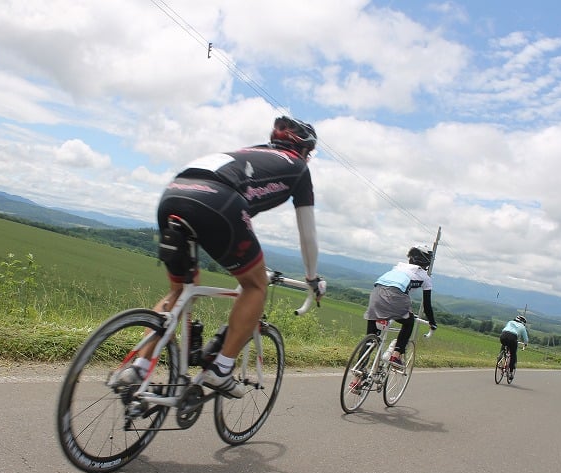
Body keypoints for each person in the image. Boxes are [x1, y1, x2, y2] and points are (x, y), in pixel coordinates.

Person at [123, 115, 326, 398]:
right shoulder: (300, 169)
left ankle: (139, 367)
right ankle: (220, 369)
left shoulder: (253, 152)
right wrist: (312, 278)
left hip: (175, 192)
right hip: (217, 200)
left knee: (180, 290)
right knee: (255, 285)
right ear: (304, 150)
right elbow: (308, 236)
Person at [363, 246, 437, 368]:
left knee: (369, 341)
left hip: (376, 293)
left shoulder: (398, 267)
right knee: (409, 322)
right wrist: (432, 322)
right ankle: (395, 355)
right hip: (396, 296)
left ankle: (357, 378)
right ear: (427, 261)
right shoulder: (425, 277)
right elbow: (427, 305)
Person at [500, 315, 529, 379]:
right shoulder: (522, 327)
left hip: (503, 335)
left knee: (504, 345)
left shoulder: (510, 322)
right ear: (523, 322)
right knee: (513, 354)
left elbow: (505, 329)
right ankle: (510, 372)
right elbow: (526, 339)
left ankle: (500, 357)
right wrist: (525, 344)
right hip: (512, 338)